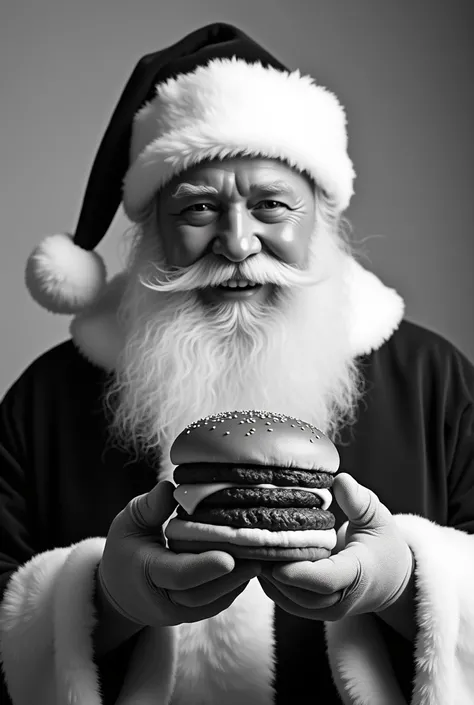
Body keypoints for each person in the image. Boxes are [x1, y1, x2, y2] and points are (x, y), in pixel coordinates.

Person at [0, 21, 473, 705]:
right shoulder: (48, 397)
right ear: (151, 228)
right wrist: (102, 601)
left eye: (272, 204)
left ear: (322, 217)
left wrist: (409, 583)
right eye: (198, 208)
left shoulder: (434, 380)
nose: (238, 241)